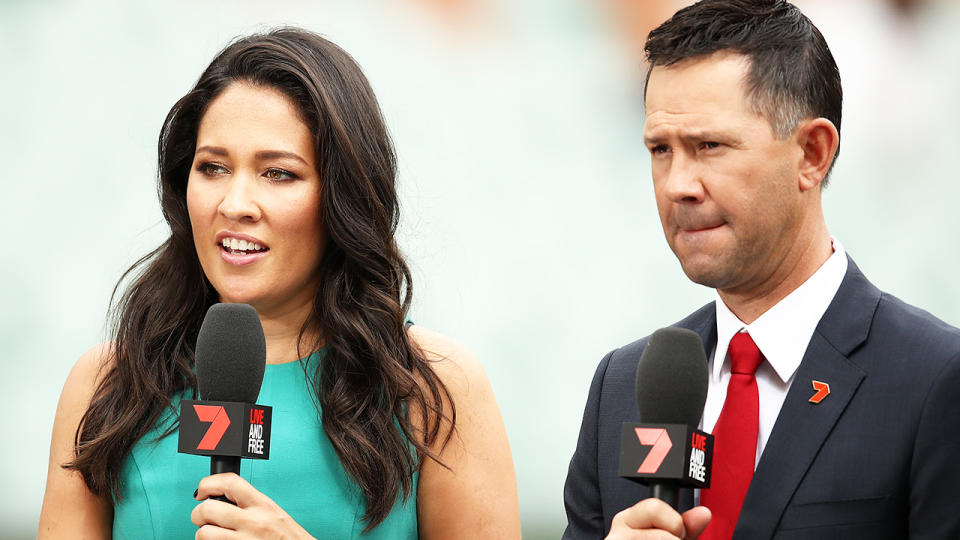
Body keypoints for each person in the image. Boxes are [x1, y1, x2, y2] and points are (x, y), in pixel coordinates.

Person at [39, 28, 520, 539]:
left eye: (278, 174)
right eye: (213, 167)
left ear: (342, 196)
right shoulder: (107, 384)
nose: (235, 204)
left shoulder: (432, 387)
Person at [562, 1, 960, 539]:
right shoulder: (623, 387)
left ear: (813, 154)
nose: (678, 183)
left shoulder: (933, 379)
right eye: (660, 149)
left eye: (710, 146)